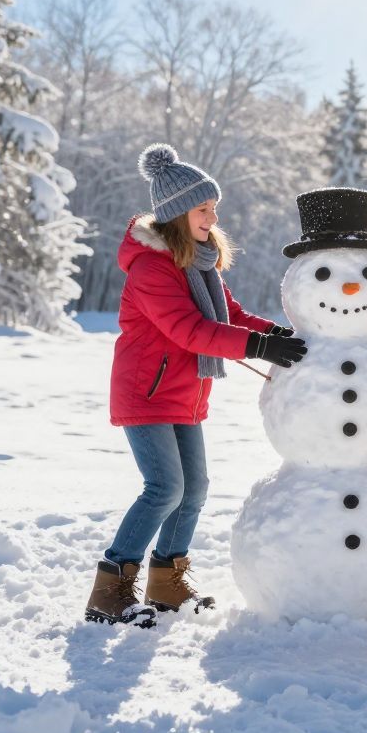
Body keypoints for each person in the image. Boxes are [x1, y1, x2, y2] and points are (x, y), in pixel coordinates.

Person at [85, 144, 307, 626]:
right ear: (177, 213)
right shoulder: (151, 268)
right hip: (147, 393)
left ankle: (167, 581)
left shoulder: (197, 264)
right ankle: (110, 587)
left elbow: (231, 315)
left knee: (194, 489)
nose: (213, 217)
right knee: (164, 488)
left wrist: (277, 334)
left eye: (213, 208)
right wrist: (259, 347)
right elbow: (189, 330)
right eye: (203, 208)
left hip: (183, 392)